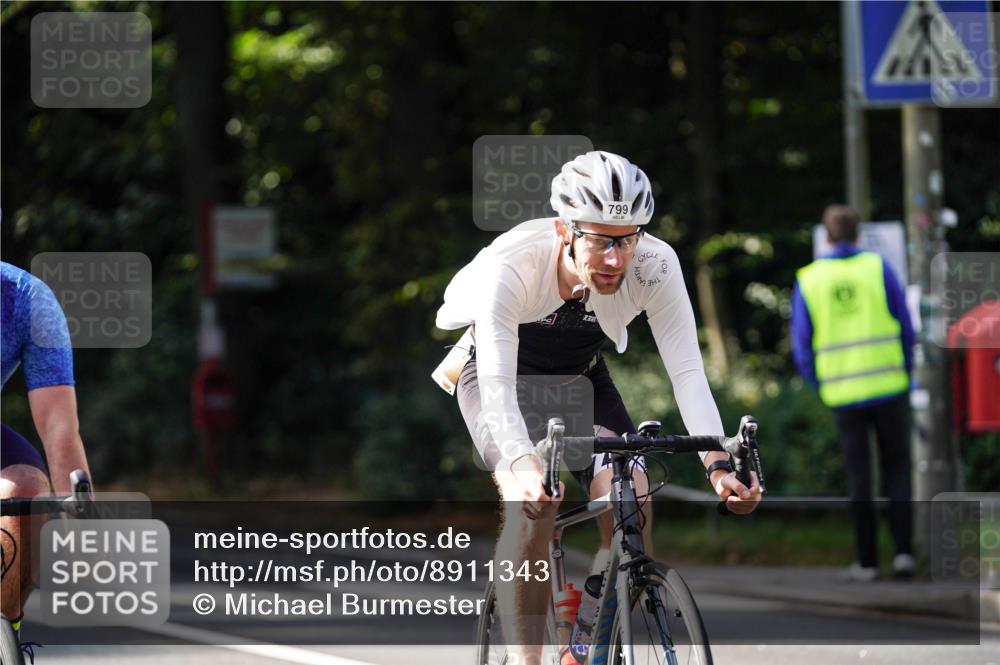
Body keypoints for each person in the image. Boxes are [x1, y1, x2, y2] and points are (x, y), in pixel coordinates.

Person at [435, 151, 761, 665]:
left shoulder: (655, 264)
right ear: (565, 230)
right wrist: (520, 467)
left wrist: (718, 466)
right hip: (499, 380)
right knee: (533, 506)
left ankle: (586, 640)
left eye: (627, 238)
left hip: (581, 380)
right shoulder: (514, 266)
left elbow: (687, 372)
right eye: (601, 240)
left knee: (631, 494)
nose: (616, 258)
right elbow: (496, 383)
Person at [790, 205, 915, 581]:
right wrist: (905, 370)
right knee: (897, 470)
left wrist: (820, 384)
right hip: (889, 386)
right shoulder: (878, 267)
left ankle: (867, 561)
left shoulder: (809, 278)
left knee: (859, 477)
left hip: (842, 393)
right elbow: (906, 325)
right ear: (859, 234)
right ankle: (905, 554)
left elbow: (801, 344)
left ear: (826, 237)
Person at [1, 260, 91, 650]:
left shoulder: (26, 299)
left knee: (26, 492)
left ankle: (5, 636)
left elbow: (59, 427)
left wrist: (81, 533)